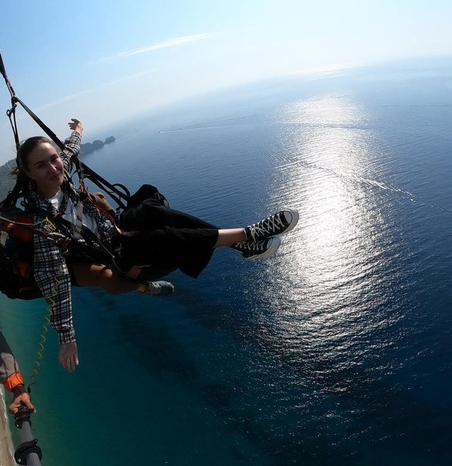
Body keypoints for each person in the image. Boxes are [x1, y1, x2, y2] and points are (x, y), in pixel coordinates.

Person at [0, 145, 176, 413]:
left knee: (95, 201)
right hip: (31, 274)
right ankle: (144, 286)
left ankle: (124, 232)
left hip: (38, 233)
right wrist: (15, 387)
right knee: (106, 277)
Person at [15, 119, 299, 374]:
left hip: (116, 227)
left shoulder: (59, 175)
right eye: (42, 165)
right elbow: (56, 279)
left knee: (153, 209)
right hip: (117, 254)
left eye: (53, 160)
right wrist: (66, 338)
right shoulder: (42, 224)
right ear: (30, 174)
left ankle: (241, 245)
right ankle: (249, 235)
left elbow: (67, 152)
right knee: (164, 237)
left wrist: (77, 132)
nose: (53, 167)